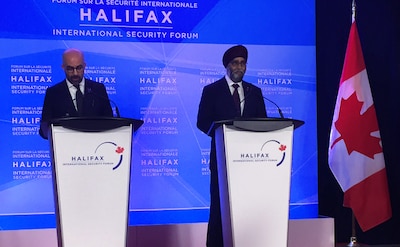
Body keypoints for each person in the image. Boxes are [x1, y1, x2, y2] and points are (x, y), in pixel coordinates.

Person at [197, 45, 267, 247]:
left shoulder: (254, 92)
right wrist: (222, 135)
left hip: (250, 161)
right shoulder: (211, 91)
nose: (240, 67)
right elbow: (202, 121)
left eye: (243, 63)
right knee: (220, 208)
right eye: (235, 63)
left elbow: (262, 121)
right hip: (222, 159)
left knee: (247, 207)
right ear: (227, 66)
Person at [39, 48, 113, 139]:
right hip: (66, 148)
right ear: (63, 67)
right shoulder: (53, 93)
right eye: (70, 69)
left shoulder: (98, 89)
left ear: (84, 66)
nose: (75, 73)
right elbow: (44, 129)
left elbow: (109, 122)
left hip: (95, 147)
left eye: (79, 68)